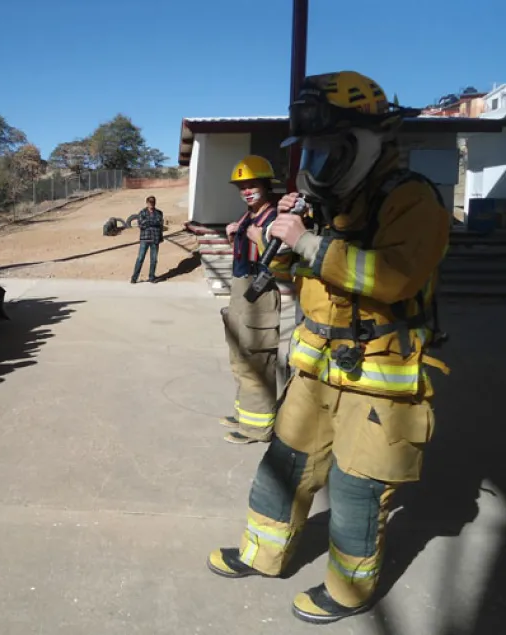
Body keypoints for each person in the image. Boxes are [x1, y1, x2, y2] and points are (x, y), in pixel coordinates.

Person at [207, 71, 451, 624]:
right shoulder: (327, 204)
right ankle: (261, 554)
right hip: (317, 371)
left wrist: (308, 240)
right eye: (310, 152)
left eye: (325, 150)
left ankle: (347, 591)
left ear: (365, 144)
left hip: (382, 376)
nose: (315, 164)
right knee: (285, 465)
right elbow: (296, 275)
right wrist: (282, 237)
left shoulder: (412, 200)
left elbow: (392, 279)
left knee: (356, 488)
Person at [219, 156, 293, 445]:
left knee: (256, 362)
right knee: (239, 358)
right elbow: (243, 257)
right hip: (240, 290)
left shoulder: (274, 219)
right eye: (242, 186)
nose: (247, 191)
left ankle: (257, 428)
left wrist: (259, 238)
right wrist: (233, 237)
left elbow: (284, 263)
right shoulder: (248, 217)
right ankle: (246, 415)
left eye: (252, 185)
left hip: (259, 295)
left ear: (265, 185)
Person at [130, 196, 164, 284]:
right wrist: (153, 222)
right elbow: (141, 224)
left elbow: (160, 224)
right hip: (145, 239)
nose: (151, 204)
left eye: (153, 202)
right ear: (147, 203)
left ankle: (151, 277)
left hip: (155, 239)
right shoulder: (142, 212)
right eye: (150, 202)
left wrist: (160, 237)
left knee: (154, 259)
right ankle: (134, 278)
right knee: (140, 258)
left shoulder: (159, 213)